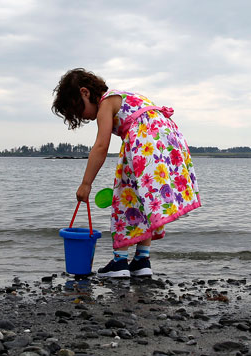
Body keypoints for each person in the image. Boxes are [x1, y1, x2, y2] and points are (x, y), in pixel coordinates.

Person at [52, 68, 201, 278]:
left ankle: (119, 262)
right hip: (167, 139)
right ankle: (142, 259)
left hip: (145, 139)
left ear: (85, 92)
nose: (82, 117)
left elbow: (101, 146)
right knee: (145, 199)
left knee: (126, 195)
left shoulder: (106, 102)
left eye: (78, 110)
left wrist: (86, 183)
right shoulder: (126, 96)